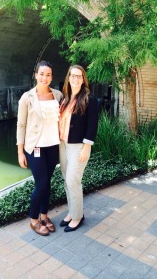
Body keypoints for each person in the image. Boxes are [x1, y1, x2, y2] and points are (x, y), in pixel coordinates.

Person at [16, 60, 62, 236]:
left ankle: (44, 216)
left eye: (48, 74)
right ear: (36, 75)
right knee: (41, 183)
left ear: (52, 77)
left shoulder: (57, 95)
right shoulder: (27, 98)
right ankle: (33, 220)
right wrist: (20, 152)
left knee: (47, 182)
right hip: (35, 147)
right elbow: (21, 125)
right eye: (41, 74)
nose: (45, 77)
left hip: (52, 146)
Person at [59, 65, 99, 232]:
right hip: (63, 145)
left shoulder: (90, 100)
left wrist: (86, 148)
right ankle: (72, 211)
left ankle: (78, 217)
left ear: (83, 79)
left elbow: (92, 126)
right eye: (72, 76)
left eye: (79, 76)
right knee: (67, 182)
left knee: (72, 181)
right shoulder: (65, 98)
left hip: (78, 147)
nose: (75, 79)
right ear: (68, 78)